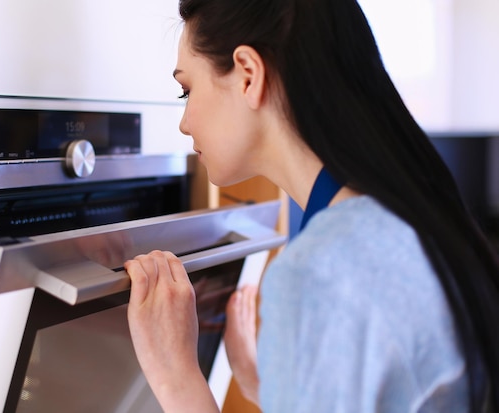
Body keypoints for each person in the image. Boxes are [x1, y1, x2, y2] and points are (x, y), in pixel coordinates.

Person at [123, 0, 499, 411]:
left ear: (248, 74)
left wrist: (176, 376)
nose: (184, 121)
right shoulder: (401, 224)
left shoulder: (322, 271)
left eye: (187, 89)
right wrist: (274, 385)